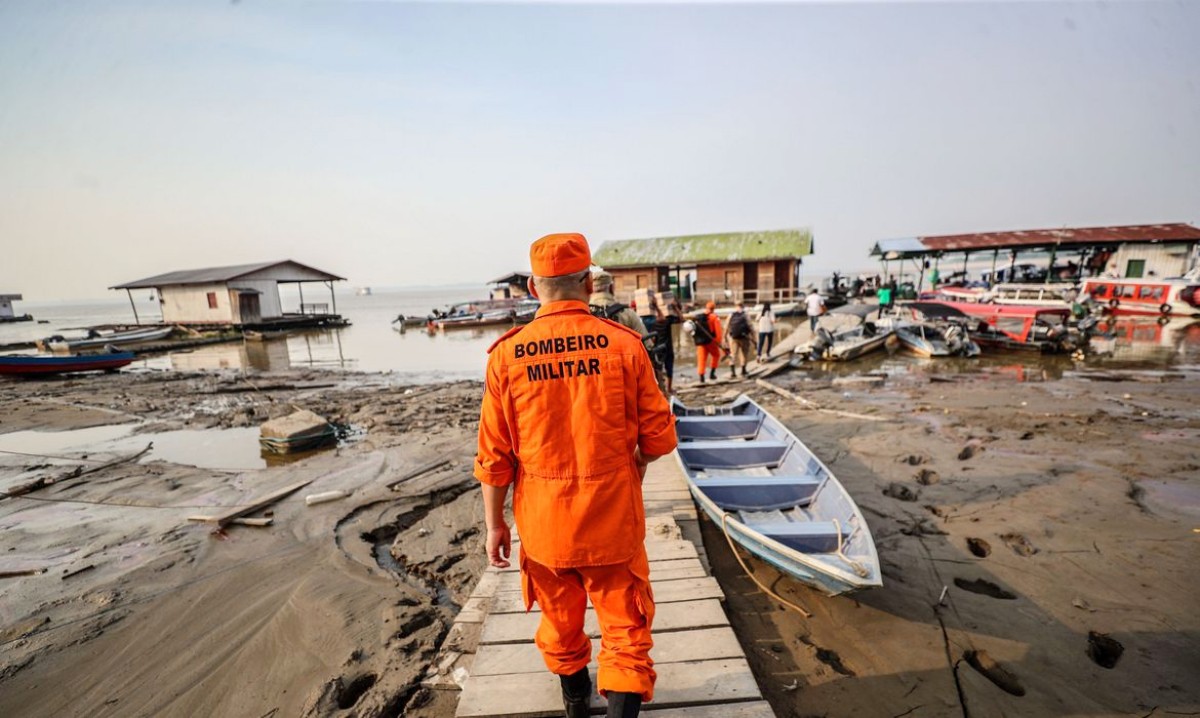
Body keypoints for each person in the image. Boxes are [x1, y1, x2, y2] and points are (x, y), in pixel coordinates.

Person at [475, 233, 677, 718]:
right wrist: (634, 471)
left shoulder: (507, 355)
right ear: (588, 282)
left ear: (531, 286)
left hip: (545, 524)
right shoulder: (625, 346)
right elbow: (658, 436)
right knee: (626, 629)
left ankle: (575, 705)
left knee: (561, 624)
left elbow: (494, 454)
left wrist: (495, 525)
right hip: (612, 518)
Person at [590, 269, 648, 337]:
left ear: (590, 288)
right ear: (611, 287)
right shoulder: (627, 313)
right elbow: (646, 342)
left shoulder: (585, 312)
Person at [651, 297, 682, 394]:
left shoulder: (652, 322)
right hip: (664, 348)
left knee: (661, 368)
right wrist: (675, 307)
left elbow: (681, 319)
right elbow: (682, 318)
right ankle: (665, 389)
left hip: (661, 348)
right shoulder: (665, 320)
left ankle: (664, 388)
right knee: (663, 368)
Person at [693, 301, 723, 383]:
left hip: (700, 342)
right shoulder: (714, 317)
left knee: (701, 359)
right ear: (714, 308)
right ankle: (712, 374)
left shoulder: (699, 317)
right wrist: (718, 342)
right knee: (716, 355)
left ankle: (701, 377)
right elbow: (718, 332)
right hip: (711, 341)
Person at [723, 302, 753, 378]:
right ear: (743, 306)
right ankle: (743, 371)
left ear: (736, 306)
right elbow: (751, 327)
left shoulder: (731, 315)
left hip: (733, 338)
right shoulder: (746, 315)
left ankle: (733, 373)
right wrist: (754, 339)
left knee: (733, 354)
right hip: (744, 338)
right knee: (744, 354)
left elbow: (726, 326)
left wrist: (724, 337)